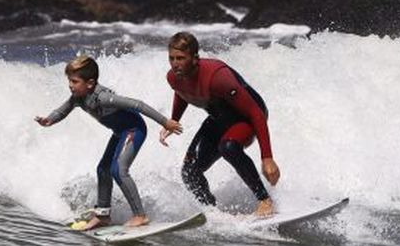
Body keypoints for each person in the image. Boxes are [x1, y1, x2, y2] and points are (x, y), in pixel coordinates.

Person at [36, 54, 183, 230]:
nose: (70, 85)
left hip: (134, 130)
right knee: (103, 169)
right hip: (120, 132)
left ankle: (140, 216)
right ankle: (103, 216)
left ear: (90, 83)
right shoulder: (78, 97)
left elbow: (138, 104)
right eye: (69, 80)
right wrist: (49, 120)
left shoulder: (103, 98)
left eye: (74, 81)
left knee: (118, 170)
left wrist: (165, 122)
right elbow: (62, 110)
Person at [160, 31, 280, 217]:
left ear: (195, 58)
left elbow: (255, 112)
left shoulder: (218, 77)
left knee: (228, 147)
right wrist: (174, 120)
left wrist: (267, 157)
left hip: (247, 116)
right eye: (172, 58)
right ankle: (212, 211)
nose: (175, 63)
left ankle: (265, 200)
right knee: (190, 171)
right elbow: (182, 91)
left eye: (181, 58)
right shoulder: (173, 77)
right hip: (219, 117)